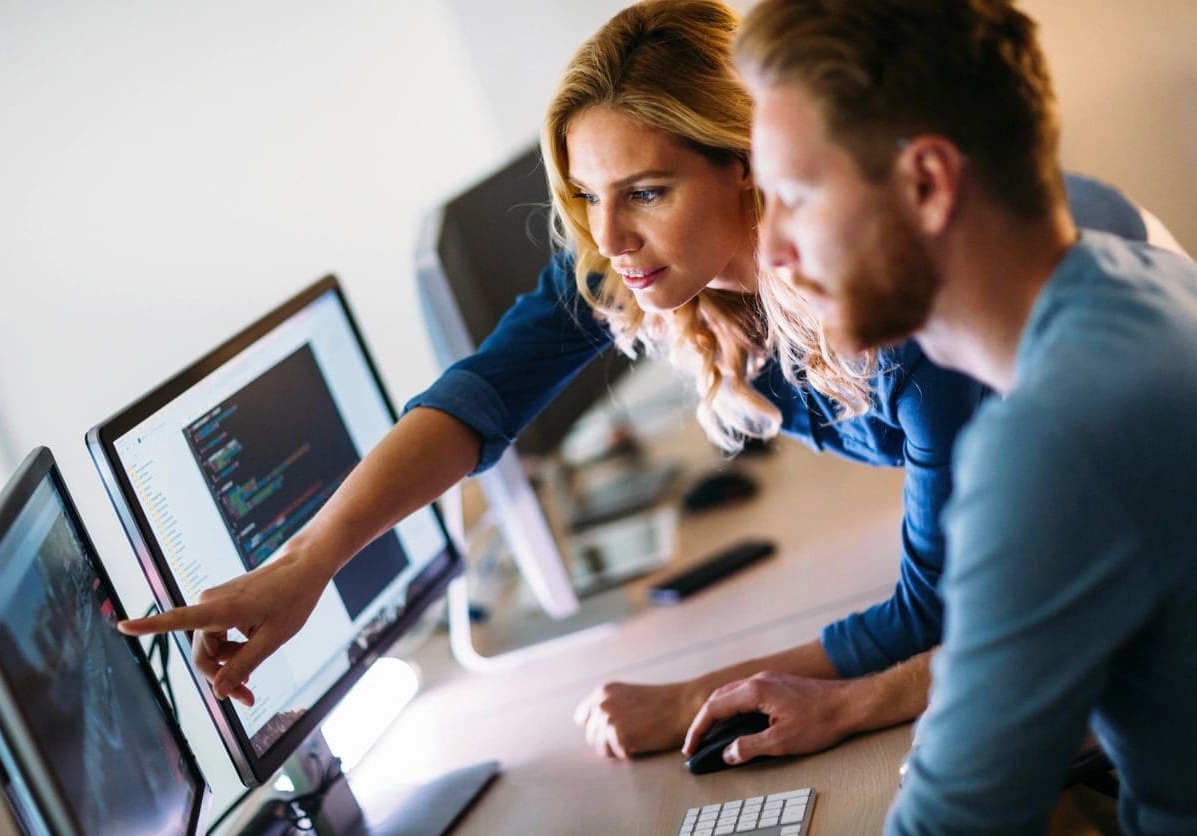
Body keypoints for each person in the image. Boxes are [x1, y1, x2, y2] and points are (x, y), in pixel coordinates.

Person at [119, 0, 1154, 764]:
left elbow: (935, 612)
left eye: (647, 191)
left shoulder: (905, 301)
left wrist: (688, 699)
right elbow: (481, 396)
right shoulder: (656, 267)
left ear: (745, 165)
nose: (609, 239)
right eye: (584, 195)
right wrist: (308, 561)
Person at [680, 0, 1197, 832]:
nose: (769, 249)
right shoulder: (1133, 280)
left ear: (926, 183)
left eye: (794, 197)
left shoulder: (1054, 437)